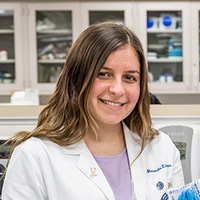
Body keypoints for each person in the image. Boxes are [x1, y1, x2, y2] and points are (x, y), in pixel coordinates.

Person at [2, 22, 198, 200]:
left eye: (129, 77)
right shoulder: (34, 155)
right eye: (104, 74)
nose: (117, 90)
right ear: (78, 78)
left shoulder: (161, 148)